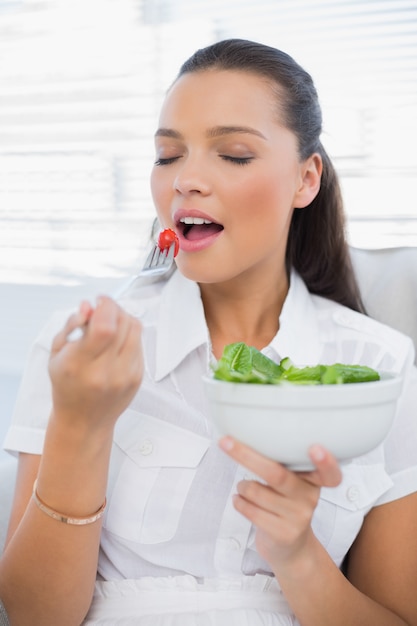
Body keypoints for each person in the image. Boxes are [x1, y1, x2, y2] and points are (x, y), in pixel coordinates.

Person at [1, 38, 417, 625]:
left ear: (305, 179)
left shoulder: (383, 369)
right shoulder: (79, 355)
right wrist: (79, 425)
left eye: (235, 155)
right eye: (168, 155)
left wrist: (297, 555)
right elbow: (35, 616)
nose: (185, 181)